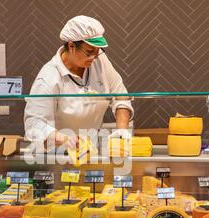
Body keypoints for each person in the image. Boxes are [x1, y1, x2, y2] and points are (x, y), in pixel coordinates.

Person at [24, 15, 134, 149]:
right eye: (89, 52)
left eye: (98, 51)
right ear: (71, 46)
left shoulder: (100, 61)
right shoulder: (48, 77)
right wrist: (66, 140)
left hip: (91, 152)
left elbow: (120, 96)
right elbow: (34, 124)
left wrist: (122, 129)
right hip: (59, 154)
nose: (94, 57)